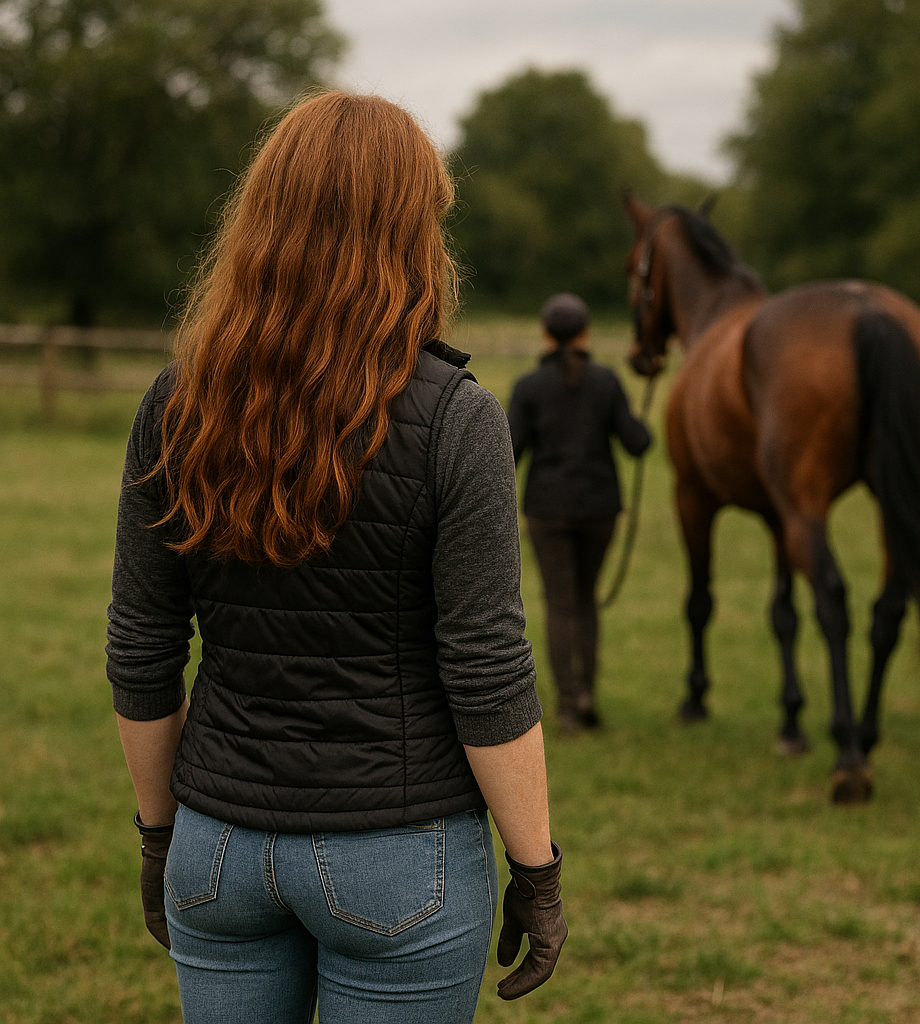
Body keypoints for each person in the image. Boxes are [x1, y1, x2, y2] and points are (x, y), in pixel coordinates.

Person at [106, 91, 567, 1024]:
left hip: (217, 849)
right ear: (411, 235)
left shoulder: (176, 403)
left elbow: (141, 653)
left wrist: (161, 838)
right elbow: (485, 671)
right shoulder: (456, 419)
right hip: (400, 860)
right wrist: (537, 868)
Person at [507, 293, 651, 734]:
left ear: (546, 335)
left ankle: (569, 702)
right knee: (587, 601)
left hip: (548, 508)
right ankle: (587, 694)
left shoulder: (530, 387)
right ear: (586, 333)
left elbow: (509, 452)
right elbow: (637, 444)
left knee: (560, 603)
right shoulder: (606, 382)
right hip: (598, 507)